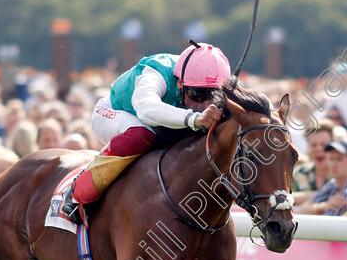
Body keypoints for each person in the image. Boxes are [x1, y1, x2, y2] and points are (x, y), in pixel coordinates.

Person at [63, 41, 229, 223]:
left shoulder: (204, 84)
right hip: (113, 114)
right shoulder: (156, 72)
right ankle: (78, 191)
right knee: (141, 134)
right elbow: (146, 109)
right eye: (197, 94)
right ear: (180, 83)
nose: (203, 105)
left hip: (156, 126)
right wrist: (194, 119)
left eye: (212, 95)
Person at [296, 140, 347, 216]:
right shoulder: (332, 184)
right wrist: (323, 206)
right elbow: (302, 210)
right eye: (331, 159)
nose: (333, 164)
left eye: (339, 159)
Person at [291, 120, 334, 205]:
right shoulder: (299, 173)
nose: (318, 149)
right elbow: (285, 198)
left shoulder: (342, 173)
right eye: (314, 145)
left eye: (323, 144)